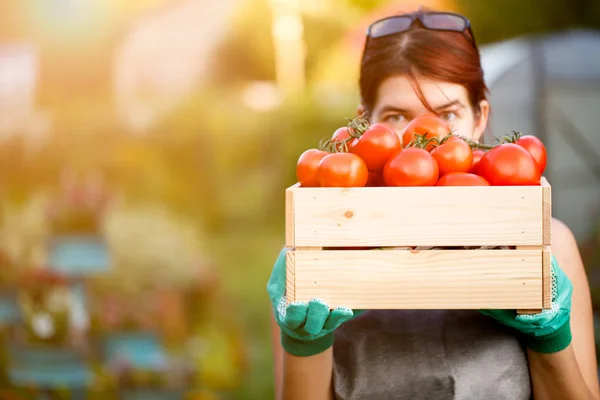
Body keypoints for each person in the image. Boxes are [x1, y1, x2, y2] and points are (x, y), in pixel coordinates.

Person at [267, 9, 600, 400]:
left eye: (447, 114)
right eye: (395, 116)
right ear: (362, 125)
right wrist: (305, 343)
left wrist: (550, 339)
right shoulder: (313, 255)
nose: (424, 138)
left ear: (480, 118)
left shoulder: (547, 246)